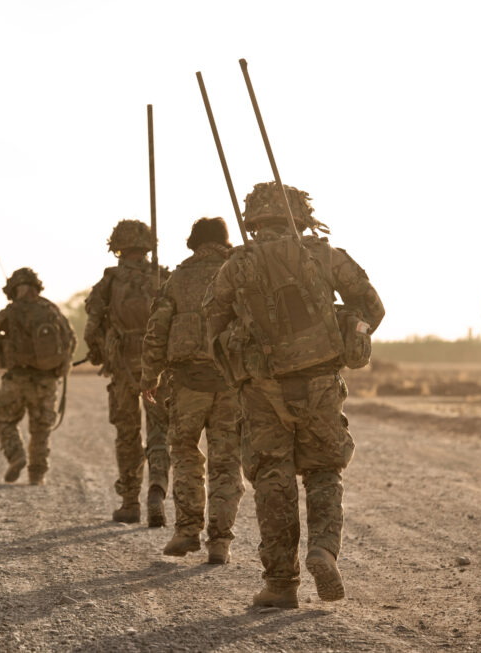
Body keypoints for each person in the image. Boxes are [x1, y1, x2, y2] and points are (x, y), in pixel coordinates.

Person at [204, 182, 384, 608]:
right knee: (324, 470)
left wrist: (241, 366)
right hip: (321, 383)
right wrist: (345, 328)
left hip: (262, 391)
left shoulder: (235, 266)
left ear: (252, 221)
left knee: (272, 480)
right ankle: (323, 549)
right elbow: (372, 307)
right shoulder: (323, 256)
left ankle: (282, 584)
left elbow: (211, 326)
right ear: (300, 217)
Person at [141, 217, 245, 564]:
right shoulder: (239, 272)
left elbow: (157, 330)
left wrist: (149, 376)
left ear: (193, 242)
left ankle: (187, 531)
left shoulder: (179, 279)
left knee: (185, 454)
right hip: (232, 384)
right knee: (226, 461)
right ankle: (220, 541)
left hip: (187, 384)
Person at [84, 219, 170, 526]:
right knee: (159, 432)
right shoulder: (163, 277)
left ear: (118, 247)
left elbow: (91, 326)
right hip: (159, 367)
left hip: (122, 368)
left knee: (127, 434)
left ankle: (130, 501)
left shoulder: (109, 281)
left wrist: (99, 352)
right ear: (148, 247)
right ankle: (157, 489)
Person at [0, 268, 76, 486]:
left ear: (14, 289)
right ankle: (37, 475)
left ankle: (16, 455)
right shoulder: (52, 311)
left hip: (17, 380)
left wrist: (0, 338)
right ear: (36, 287)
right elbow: (70, 340)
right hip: (47, 382)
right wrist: (61, 368)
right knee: (41, 429)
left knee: (3, 418)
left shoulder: (9, 312)